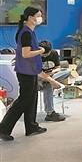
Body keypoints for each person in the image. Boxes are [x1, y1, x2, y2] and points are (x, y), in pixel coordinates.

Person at [0, 7, 48, 140]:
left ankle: (31, 126)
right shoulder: (25, 33)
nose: (40, 18)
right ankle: (3, 129)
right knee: (23, 100)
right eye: (38, 16)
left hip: (31, 70)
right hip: (26, 72)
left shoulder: (29, 32)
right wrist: (41, 51)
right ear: (30, 17)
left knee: (32, 99)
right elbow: (26, 54)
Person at [38, 40, 69, 122]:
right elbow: (37, 72)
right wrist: (49, 79)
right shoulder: (35, 55)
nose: (44, 56)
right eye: (43, 54)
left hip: (51, 76)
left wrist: (51, 73)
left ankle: (47, 81)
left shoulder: (54, 53)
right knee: (48, 84)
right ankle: (50, 113)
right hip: (38, 79)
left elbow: (58, 67)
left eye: (46, 54)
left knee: (66, 71)